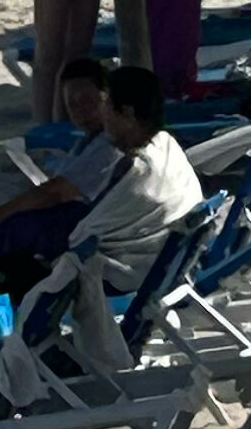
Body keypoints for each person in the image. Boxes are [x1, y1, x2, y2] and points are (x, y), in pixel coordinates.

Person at [59, 62, 202, 364]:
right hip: (167, 261)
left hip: (132, 272)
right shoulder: (166, 146)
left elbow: (83, 234)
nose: (103, 115)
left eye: (107, 106)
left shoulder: (136, 169)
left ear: (127, 115)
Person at [0, 54, 119, 300]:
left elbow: (53, 193)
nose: (80, 110)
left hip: (86, 251)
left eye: (88, 100)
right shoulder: (89, 143)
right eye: (72, 104)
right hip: (84, 242)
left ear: (108, 97)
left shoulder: (108, 147)